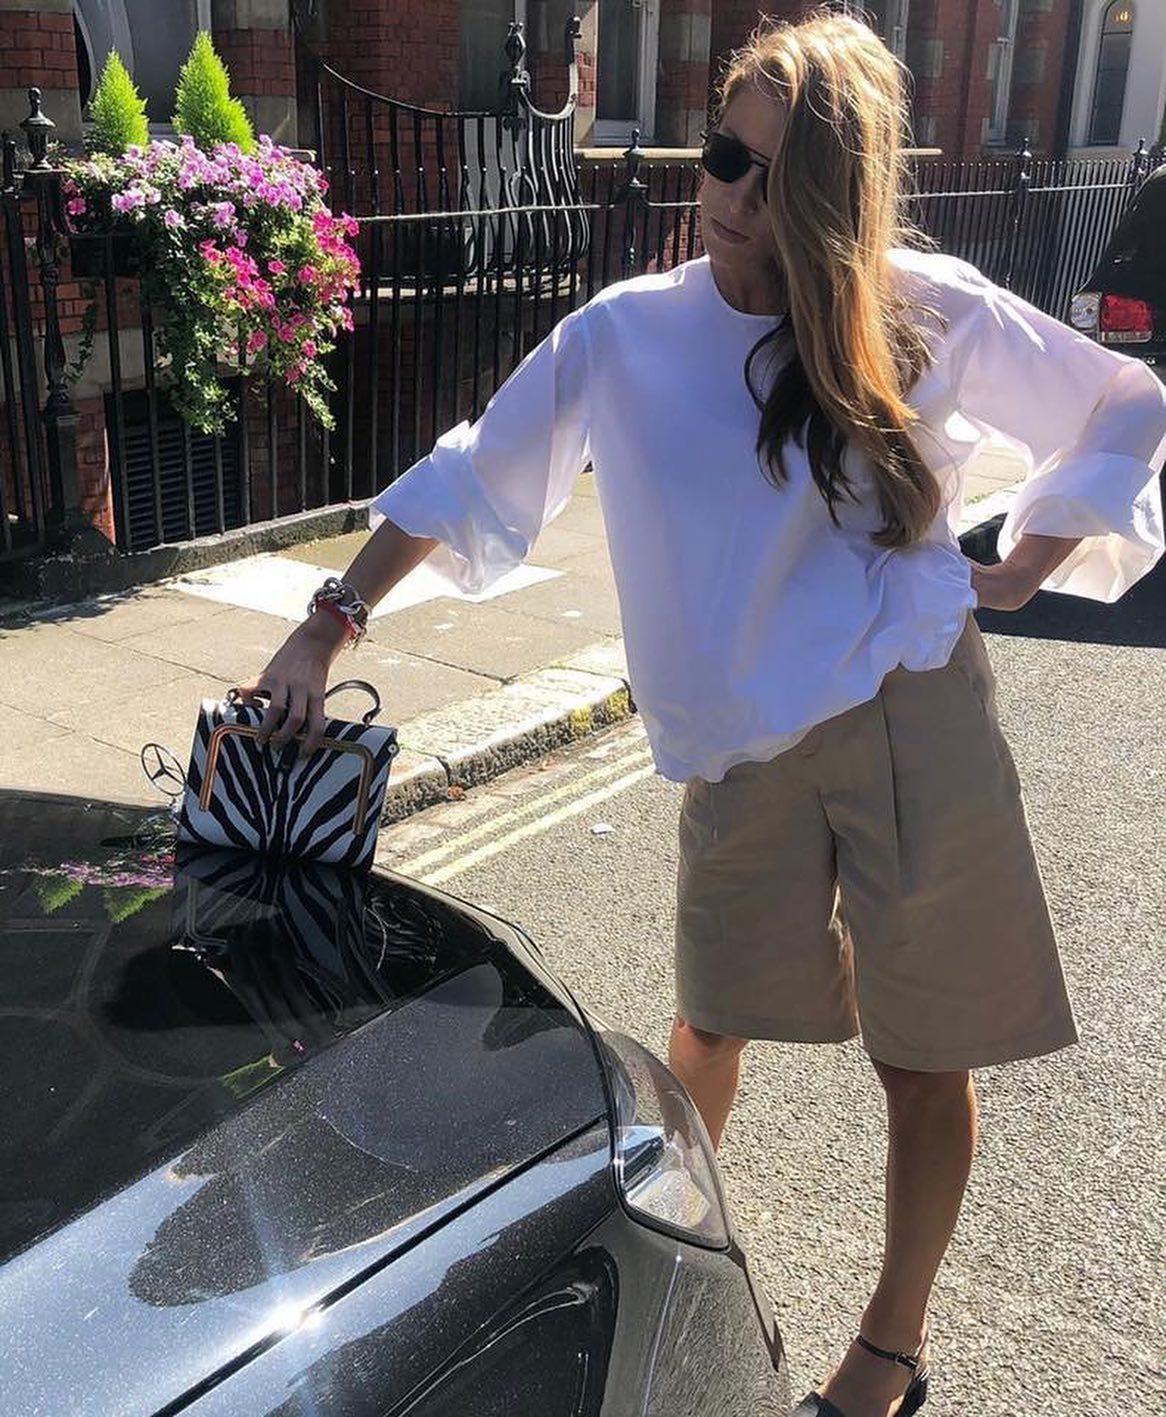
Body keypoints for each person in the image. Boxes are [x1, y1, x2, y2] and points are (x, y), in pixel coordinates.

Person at [239, 11, 1166, 1416]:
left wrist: (1033, 553)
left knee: (922, 1058)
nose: (729, 195)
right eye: (722, 155)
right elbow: (475, 469)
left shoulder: (919, 309)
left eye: (771, 177)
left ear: (834, 197)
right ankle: (676, 1285)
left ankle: (888, 1353)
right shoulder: (627, 335)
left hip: (912, 709)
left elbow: (1121, 401)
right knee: (707, 1032)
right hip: (738, 745)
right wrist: (329, 621)